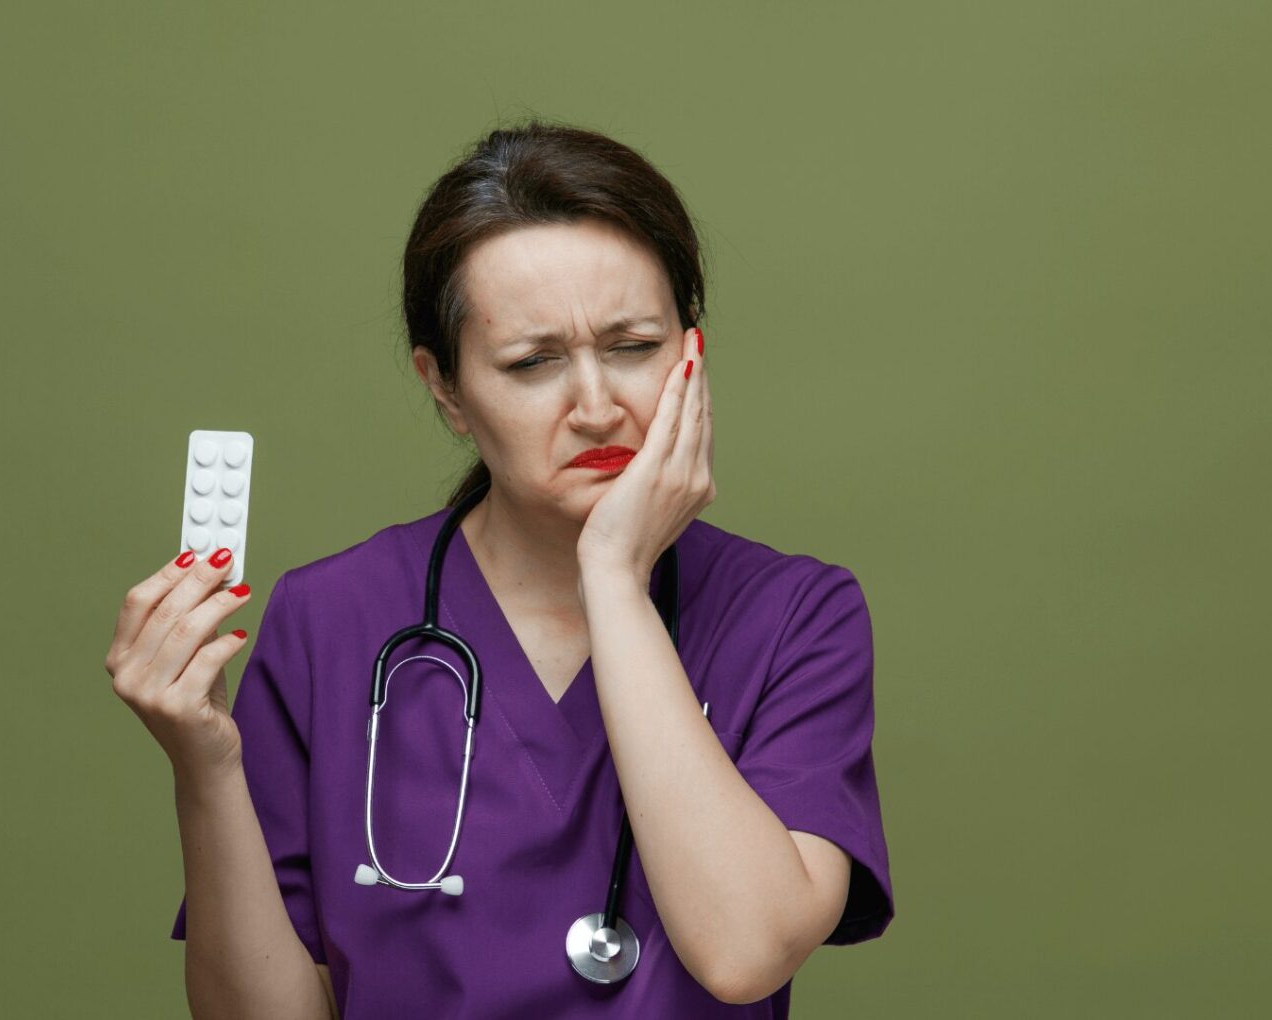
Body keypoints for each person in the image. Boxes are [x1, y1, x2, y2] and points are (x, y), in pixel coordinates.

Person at [107, 121, 894, 1019]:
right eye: (532, 363)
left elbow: (746, 951)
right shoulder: (331, 617)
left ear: (692, 351)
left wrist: (614, 577)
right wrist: (204, 768)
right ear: (445, 389)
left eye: (635, 347)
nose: (597, 407)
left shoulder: (796, 615)